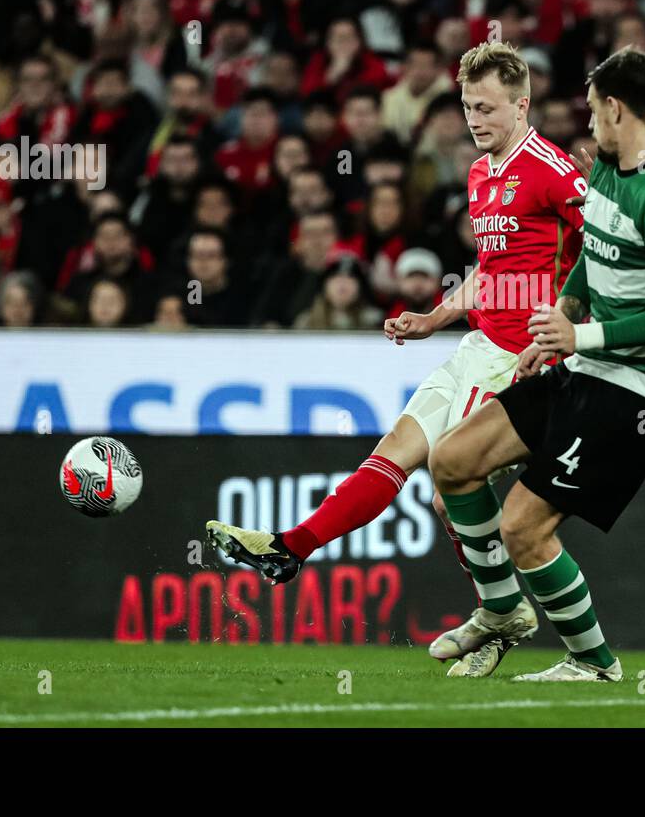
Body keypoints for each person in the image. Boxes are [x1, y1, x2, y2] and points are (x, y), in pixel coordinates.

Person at [204, 41, 586, 677]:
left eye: (487, 107)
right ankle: (289, 549)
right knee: (393, 453)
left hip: (523, 357)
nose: (474, 119)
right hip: (475, 347)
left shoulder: (553, 169)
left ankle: (505, 613)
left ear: (522, 105)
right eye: (467, 106)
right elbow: (492, 272)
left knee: (447, 484)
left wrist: (567, 325)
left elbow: (602, 248)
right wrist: (436, 315)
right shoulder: (480, 174)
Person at [425, 46, 645, 682]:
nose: (587, 123)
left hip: (635, 393)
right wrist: (556, 324)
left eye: (591, 110)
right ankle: (500, 612)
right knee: (452, 462)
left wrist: (579, 335)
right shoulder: (608, 170)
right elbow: (590, 258)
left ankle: (594, 663)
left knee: (522, 526)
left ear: (615, 108)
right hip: (579, 368)